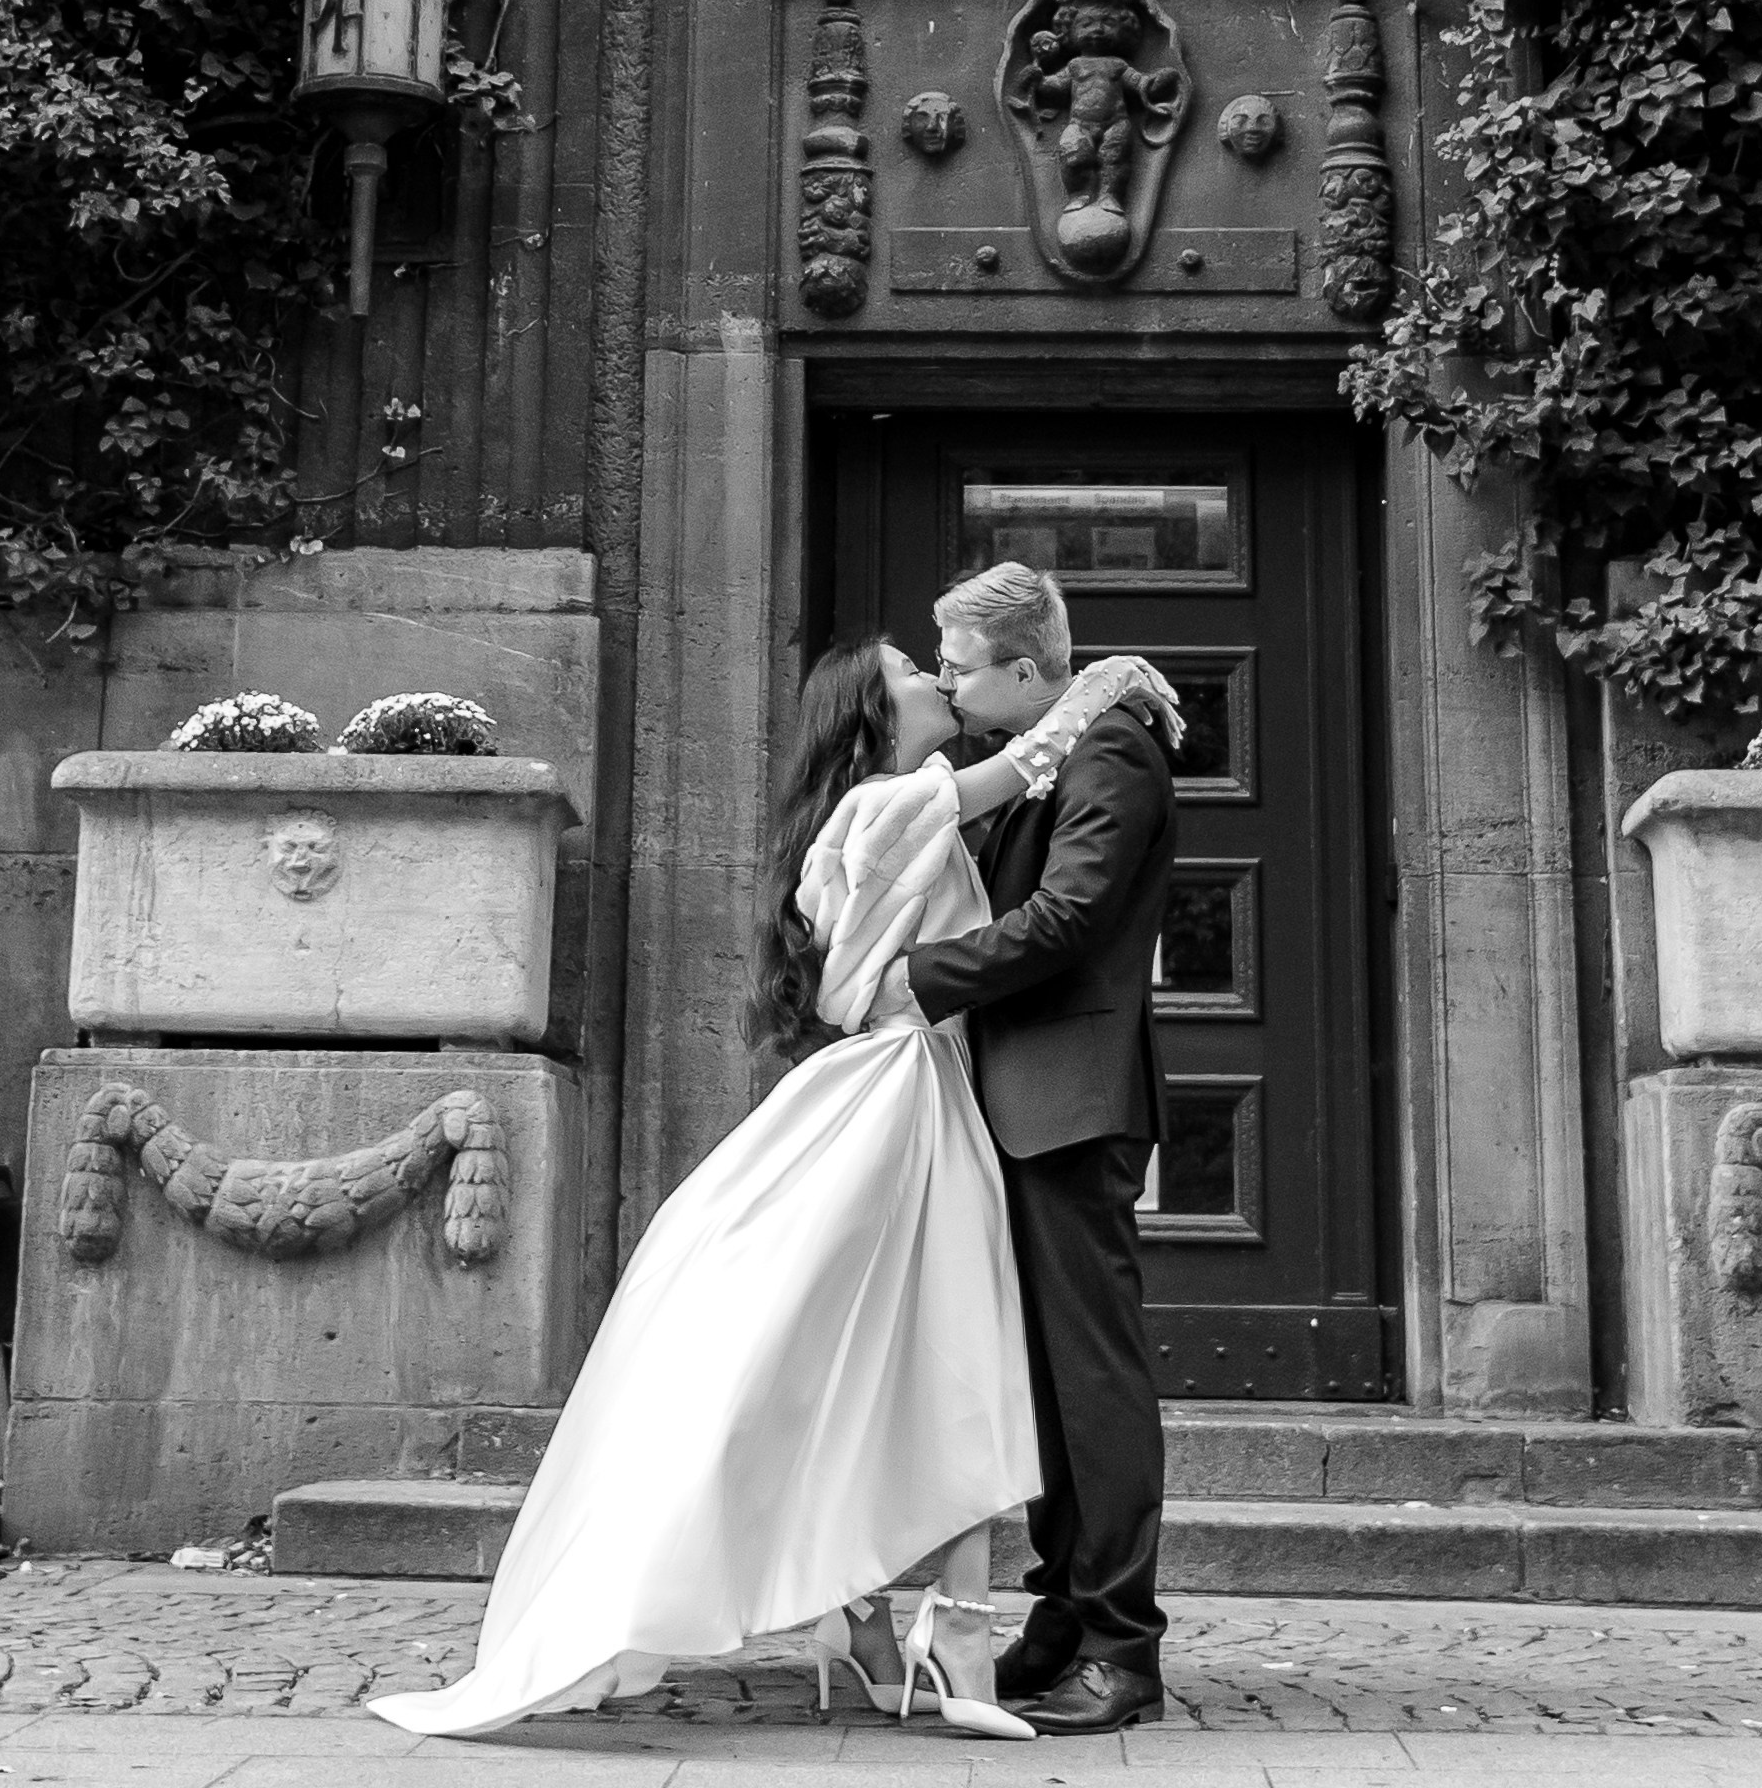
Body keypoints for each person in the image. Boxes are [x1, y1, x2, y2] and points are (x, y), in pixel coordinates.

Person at [367, 629, 1169, 1742]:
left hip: (942, 1091)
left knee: (915, 1354)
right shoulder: (897, 801)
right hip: (905, 1090)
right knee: (903, 1352)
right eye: (914, 670)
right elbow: (1022, 772)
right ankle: (946, 1625)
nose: (936, 676)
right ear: (873, 719)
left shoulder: (913, 799)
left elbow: (1035, 859)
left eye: (945, 660)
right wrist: (1106, 680)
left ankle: (914, 1620)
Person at [890, 560, 1180, 1737]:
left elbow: (1069, 918)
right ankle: (1061, 1620)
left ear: (1022, 669)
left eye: (958, 667)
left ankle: (1121, 1647)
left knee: (1093, 1381)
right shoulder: (1046, 748)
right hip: (1019, 1098)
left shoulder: (1113, 750)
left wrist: (912, 979)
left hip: (1069, 1098)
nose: (948, 686)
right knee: (1051, 1387)